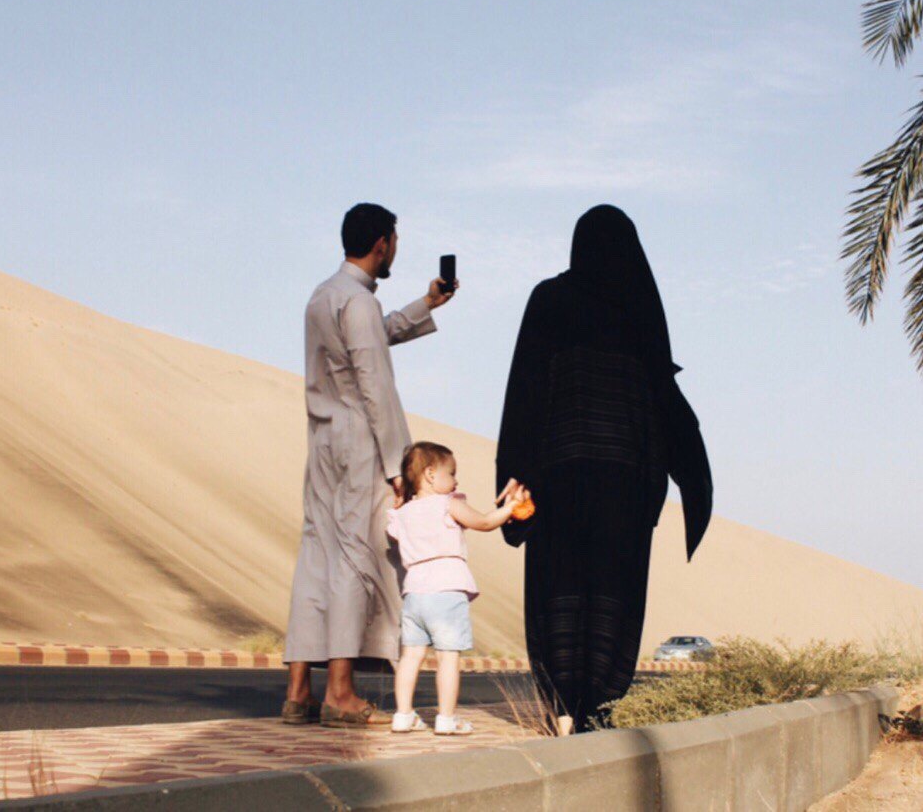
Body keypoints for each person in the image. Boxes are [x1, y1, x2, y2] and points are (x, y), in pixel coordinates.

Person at [496, 205, 712, 733]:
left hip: (561, 476)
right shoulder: (640, 305)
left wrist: (514, 476)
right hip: (626, 483)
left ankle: (563, 705)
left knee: (559, 586)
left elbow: (525, 388)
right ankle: (601, 708)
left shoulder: (550, 299)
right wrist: (690, 473)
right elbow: (664, 395)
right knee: (615, 590)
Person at [283, 204, 458, 728]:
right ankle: (340, 692)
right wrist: (400, 468)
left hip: (322, 444)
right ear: (382, 244)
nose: (395, 250)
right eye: (395, 242)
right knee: (356, 560)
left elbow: (370, 336)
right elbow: (376, 387)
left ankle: (298, 692)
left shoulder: (324, 296)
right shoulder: (355, 303)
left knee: (315, 555)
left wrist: (426, 304)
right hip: (361, 444)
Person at [386, 441, 529, 735]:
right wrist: (511, 508)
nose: (456, 481)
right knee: (448, 658)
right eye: (451, 473)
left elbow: (398, 533)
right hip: (446, 589)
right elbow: (486, 522)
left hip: (413, 592)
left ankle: (403, 715)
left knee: (410, 656)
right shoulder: (447, 504)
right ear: (429, 474)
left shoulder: (402, 513)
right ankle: (447, 718)